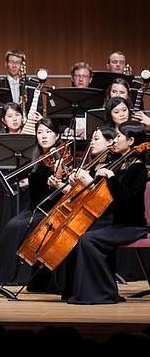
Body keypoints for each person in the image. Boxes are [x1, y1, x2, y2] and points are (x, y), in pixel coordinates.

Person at [60, 123, 148, 304]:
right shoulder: (119, 164)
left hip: (132, 226)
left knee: (88, 240)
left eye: (118, 137)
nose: (114, 140)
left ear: (131, 141)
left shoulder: (138, 169)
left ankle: (105, 293)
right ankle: (79, 291)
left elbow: (126, 201)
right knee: (79, 238)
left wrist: (111, 177)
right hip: (116, 224)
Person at [0, 117, 71, 287]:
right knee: (9, 226)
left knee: (15, 227)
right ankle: (2, 276)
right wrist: (0, 179)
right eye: (40, 132)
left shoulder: (61, 157)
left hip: (52, 211)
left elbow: (68, 185)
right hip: (34, 209)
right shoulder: (37, 158)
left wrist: (59, 177)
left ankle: (19, 276)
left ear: (57, 136)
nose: (44, 136)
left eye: (48, 132)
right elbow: (19, 173)